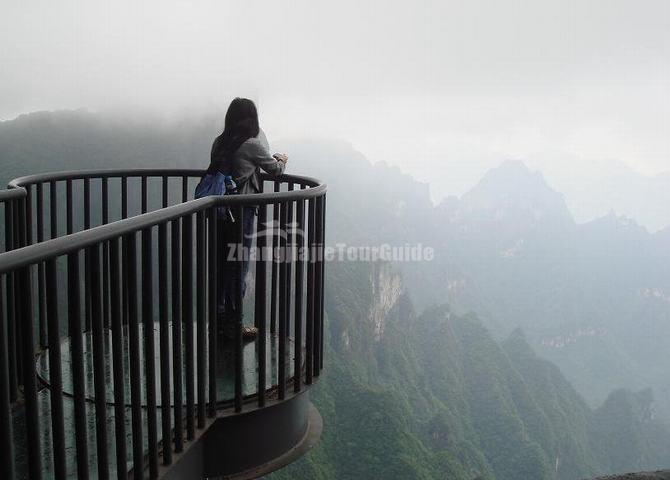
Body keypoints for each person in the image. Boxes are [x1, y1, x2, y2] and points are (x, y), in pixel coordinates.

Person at [207, 97, 288, 340]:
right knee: (238, 266)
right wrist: (282, 159)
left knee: (222, 263)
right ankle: (235, 325)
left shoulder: (219, 143)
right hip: (242, 212)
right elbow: (275, 170)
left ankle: (219, 319)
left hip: (220, 209)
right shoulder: (252, 144)